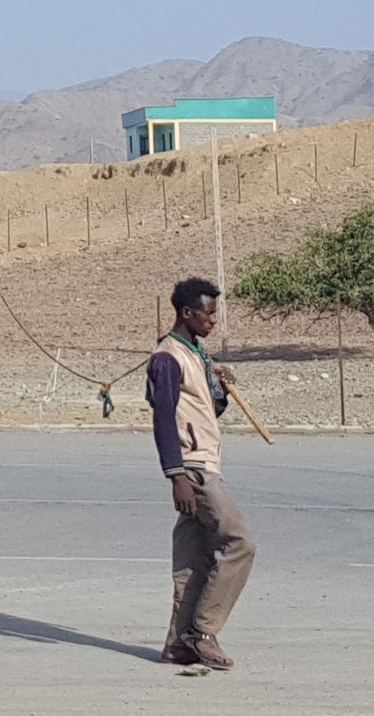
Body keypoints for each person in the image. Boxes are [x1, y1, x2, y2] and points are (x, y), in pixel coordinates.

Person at [146, 276, 256, 670]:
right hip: (193, 469)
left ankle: (177, 645)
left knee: (193, 559)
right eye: (208, 314)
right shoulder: (167, 358)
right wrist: (176, 475)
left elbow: (207, 410)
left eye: (215, 313)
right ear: (186, 313)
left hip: (203, 460)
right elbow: (163, 420)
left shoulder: (196, 354)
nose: (213, 321)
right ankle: (203, 632)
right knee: (239, 542)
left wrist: (220, 389)